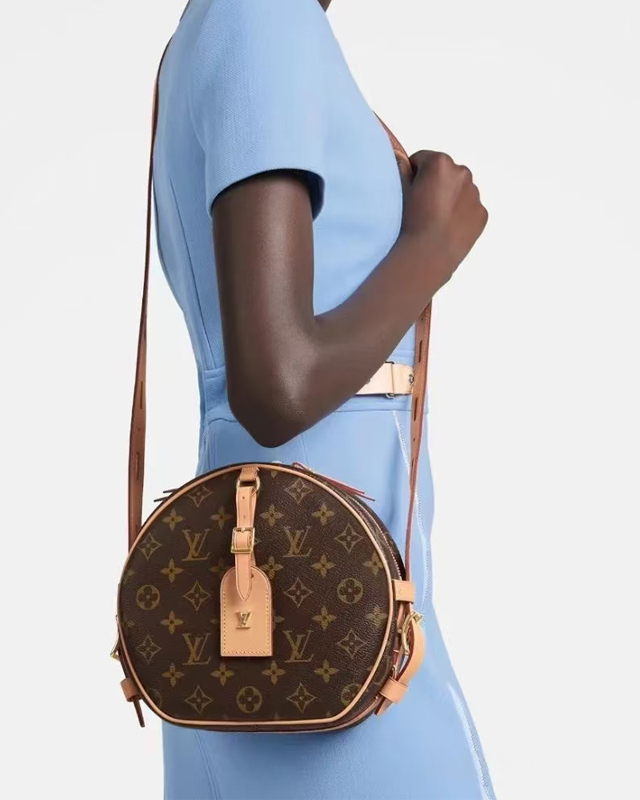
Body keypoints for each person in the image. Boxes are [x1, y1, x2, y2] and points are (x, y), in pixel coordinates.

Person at [149, 0, 493, 797]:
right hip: (322, 619)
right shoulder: (262, 16)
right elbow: (280, 387)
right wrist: (431, 248)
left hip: (277, 599)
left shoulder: (231, 22)